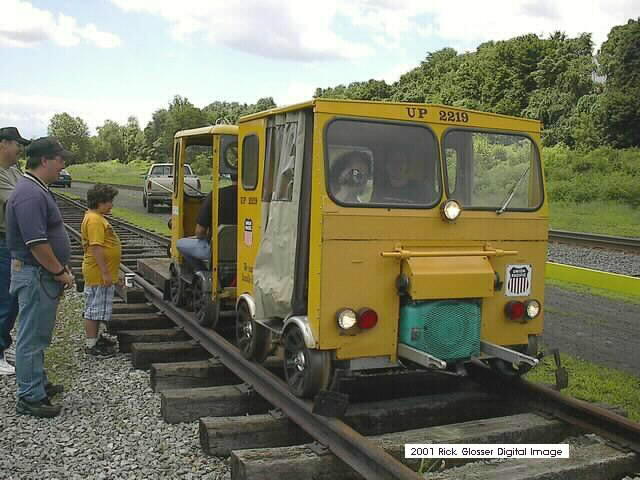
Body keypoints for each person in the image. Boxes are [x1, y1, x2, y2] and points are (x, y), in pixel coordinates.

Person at [6, 136, 74, 418]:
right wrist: (59, 271)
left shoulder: (35, 189)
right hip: (36, 275)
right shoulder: (30, 194)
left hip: (39, 274)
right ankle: (30, 397)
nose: (63, 165)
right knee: (31, 337)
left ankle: (37, 382)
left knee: (38, 334)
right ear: (44, 160)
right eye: (60, 159)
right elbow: (36, 243)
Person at [0, 127, 29, 376]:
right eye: (16, 144)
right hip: (2, 242)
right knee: (6, 299)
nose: (20, 149)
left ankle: (2, 346)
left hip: (11, 242)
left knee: (11, 299)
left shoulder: (13, 170)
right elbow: (17, 201)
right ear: (3, 144)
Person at [81, 184, 121, 358]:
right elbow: (96, 247)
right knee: (94, 309)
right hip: (98, 273)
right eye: (109, 201)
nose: (111, 205)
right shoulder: (95, 220)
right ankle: (91, 345)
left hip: (98, 272)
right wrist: (105, 272)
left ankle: (95, 339)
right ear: (100, 202)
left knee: (96, 308)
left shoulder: (95, 218)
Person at [176, 174, 238, 270]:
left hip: (216, 250)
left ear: (230, 175)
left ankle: (202, 271)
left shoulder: (216, 195)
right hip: (244, 250)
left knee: (180, 243)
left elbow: (199, 232)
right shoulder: (256, 199)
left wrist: (206, 236)